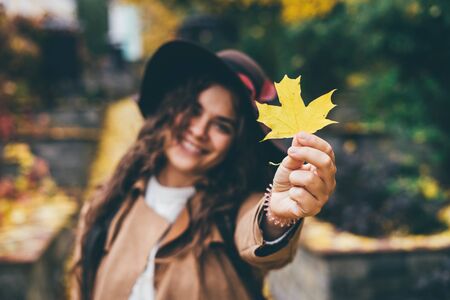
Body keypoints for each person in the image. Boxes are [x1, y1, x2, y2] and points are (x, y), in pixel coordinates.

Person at [70, 40, 337, 300]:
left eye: (222, 125)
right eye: (193, 110)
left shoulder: (233, 211)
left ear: (236, 144)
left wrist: (277, 217)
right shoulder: (107, 205)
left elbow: (257, 232)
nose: (198, 131)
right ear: (169, 109)